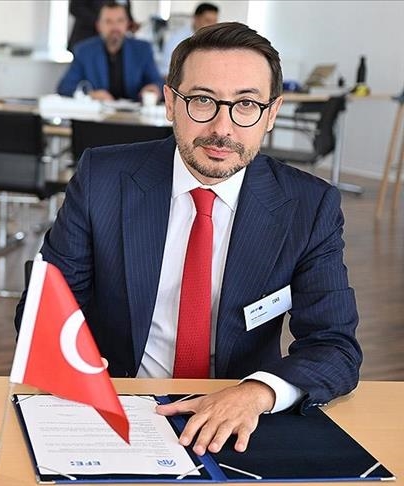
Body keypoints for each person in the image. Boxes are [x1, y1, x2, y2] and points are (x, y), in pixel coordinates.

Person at [18, 22, 361, 455]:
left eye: (246, 104)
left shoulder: (309, 206)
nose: (223, 127)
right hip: (116, 405)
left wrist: (257, 393)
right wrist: (73, 361)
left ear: (272, 113)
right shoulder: (102, 179)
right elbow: (44, 308)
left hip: (237, 416)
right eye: (202, 100)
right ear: (170, 103)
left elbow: (335, 346)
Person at [58, 1, 163, 102]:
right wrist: (90, 94)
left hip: (134, 113)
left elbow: (158, 82)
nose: (115, 27)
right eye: (108, 21)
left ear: (127, 24)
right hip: (97, 113)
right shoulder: (84, 51)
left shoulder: (142, 49)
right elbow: (65, 87)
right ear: (99, 26)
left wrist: (154, 89)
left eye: (120, 21)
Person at [160, 3, 219, 75]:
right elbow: (166, 73)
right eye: (208, 21)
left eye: (215, 21)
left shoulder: (215, 40)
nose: (212, 25)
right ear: (196, 19)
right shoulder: (177, 40)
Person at [67, 0, 136, 52]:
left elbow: (125, 11)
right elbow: (75, 7)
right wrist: (101, 22)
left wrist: (130, 23)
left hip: (116, 45)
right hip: (88, 38)